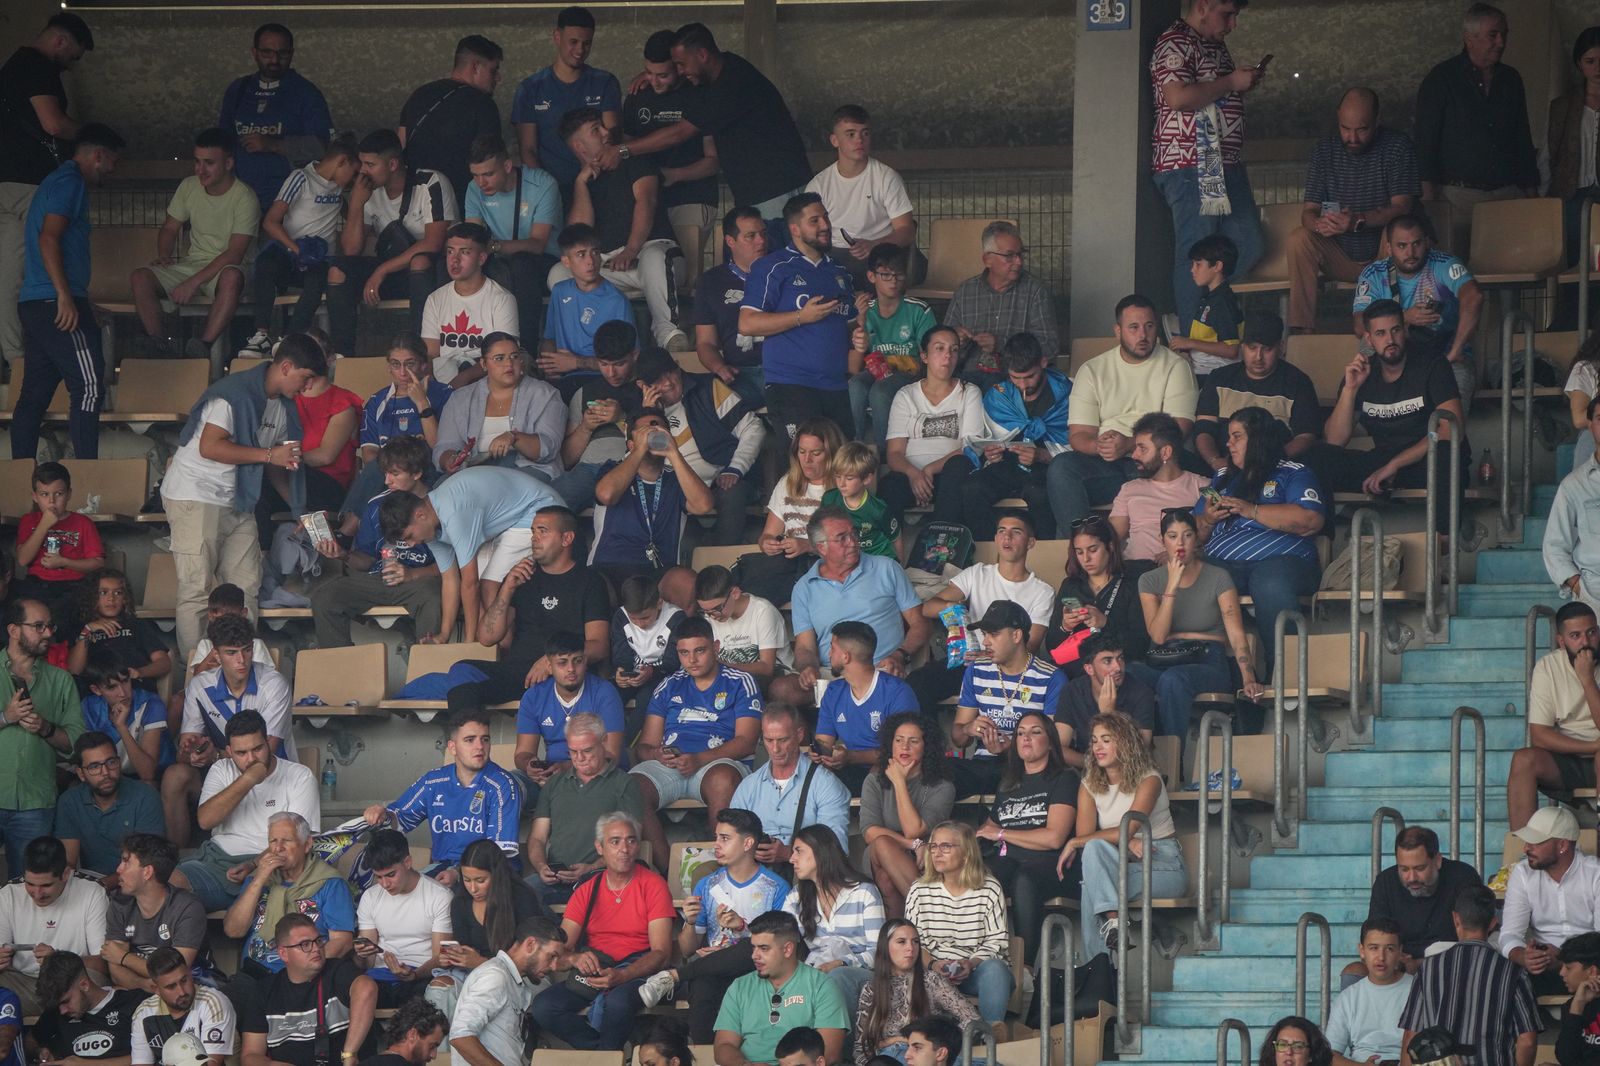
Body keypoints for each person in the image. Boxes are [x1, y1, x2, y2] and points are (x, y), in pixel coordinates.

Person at [161, 334, 322, 661]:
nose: (306, 388)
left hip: (238, 498)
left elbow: (278, 464)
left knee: (247, 586)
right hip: (195, 494)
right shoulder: (232, 394)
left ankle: (240, 666)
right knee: (197, 590)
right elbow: (211, 446)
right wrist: (268, 455)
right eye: (305, 379)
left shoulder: (283, 406)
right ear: (287, 367)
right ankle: (197, 673)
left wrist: (302, 514)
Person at [605, 23, 811, 220]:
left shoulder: (733, 82)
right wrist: (654, 75)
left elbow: (680, 132)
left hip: (778, 188)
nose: (681, 72)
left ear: (702, 55)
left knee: (781, 255)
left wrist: (623, 150)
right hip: (759, 189)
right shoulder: (719, 75)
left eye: (680, 65)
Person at [423, 502, 609, 711]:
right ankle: (471, 739)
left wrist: (551, 663)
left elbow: (599, 646)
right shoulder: (523, 578)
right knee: (462, 670)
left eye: (543, 531)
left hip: (563, 676)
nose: (534, 538)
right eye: (533, 531)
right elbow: (487, 637)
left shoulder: (590, 582)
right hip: (518, 674)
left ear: (567, 538)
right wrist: (507, 589)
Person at [1149, 0, 1266, 331]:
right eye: (1226, 14)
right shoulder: (1176, 40)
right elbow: (1177, 97)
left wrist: (1240, 84)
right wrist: (1231, 83)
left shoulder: (1215, 46)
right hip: (1189, 165)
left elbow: (1214, 93)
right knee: (1194, 254)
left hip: (1223, 164)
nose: (1232, 24)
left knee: (1249, 243)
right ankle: (1191, 336)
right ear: (1202, 5)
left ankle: (1211, 317)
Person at [1307, 300, 1467, 536]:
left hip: (1426, 457)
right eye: (1380, 333)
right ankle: (1324, 543)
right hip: (1383, 461)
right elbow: (1334, 440)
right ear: (1369, 340)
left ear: (1405, 331)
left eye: (1395, 330)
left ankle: (1443, 544)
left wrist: (1395, 465)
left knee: (1447, 452)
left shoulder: (1432, 364)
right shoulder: (1363, 372)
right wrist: (1350, 390)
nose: (1390, 340)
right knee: (1318, 456)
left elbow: (1450, 429)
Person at [12, 122, 122, 461]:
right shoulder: (71, 182)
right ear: (99, 156)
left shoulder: (55, 180)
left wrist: (81, 299)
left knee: (33, 396)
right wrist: (65, 297)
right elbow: (49, 237)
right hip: (54, 301)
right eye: (114, 162)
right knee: (88, 387)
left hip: (36, 302)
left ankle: (21, 481)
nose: (114, 171)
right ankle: (87, 477)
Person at [634, 808, 789, 1040]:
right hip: (711, 970)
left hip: (756, 970)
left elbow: (777, 946)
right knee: (704, 981)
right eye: (716, 837)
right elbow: (688, 949)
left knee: (751, 948)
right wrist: (690, 921)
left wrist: (742, 928)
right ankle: (703, 1052)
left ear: (748, 843)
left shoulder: (776, 887)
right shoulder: (707, 885)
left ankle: (673, 977)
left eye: (724, 838)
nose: (716, 844)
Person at [1050, 294, 1199, 534]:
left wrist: (1131, 444)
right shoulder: (1092, 370)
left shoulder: (1175, 366)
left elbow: (1179, 428)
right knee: (1061, 468)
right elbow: (1079, 434)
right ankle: (1078, 548)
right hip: (1106, 464)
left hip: (1154, 461)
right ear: (1118, 331)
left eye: (1149, 327)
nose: (1143, 335)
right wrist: (1103, 446)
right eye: (1134, 327)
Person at [1195, 405, 1327, 672]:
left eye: (1236, 436)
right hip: (1224, 564)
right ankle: (1211, 672)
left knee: (1269, 581)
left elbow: (1311, 520)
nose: (1228, 443)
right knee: (1194, 576)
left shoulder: (1292, 471)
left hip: (1283, 562)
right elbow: (1194, 533)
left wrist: (1251, 510)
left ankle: (1285, 673)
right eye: (1228, 437)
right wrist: (1208, 519)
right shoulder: (1221, 478)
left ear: (1258, 438)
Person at [529, 812, 673, 1050]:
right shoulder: (587, 890)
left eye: (631, 841)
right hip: (597, 969)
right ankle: (602, 1054)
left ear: (638, 846)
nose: (624, 849)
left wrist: (623, 976)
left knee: (616, 1002)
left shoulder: (653, 885)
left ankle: (604, 1057)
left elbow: (661, 953)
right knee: (544, 1006)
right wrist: (576, 958)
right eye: (615, 841)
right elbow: (560, 949)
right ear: (600, 847)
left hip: (638, 969)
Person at [0, 12, 93, 375]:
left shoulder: (10, 67)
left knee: (8, 274)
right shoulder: (38, 67)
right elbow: (53, 123)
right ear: (61, 41)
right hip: (30, 186)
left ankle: (13, 355)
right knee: (41, 272)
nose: (70, 66)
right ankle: (40, 356)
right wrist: (89, 136)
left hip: (5, 183)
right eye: (74, 56)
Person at [378, 470, 566, 647]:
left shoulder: (453, 513)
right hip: (507, 522)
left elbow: (470, 583)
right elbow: (450, 580)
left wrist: (467, 644)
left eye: (409, 536)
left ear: (420, 515)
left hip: (538, 510)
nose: (411, 544)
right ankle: (489, 646)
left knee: (488, 584)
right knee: (482, 587)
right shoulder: (429, 524)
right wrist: (444, 635)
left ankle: (502, 648)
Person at [553, 108, 687, 352]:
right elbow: (577, 237)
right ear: (580, 148)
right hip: (608, 269)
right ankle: (583, 341)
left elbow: (646, 201)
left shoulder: (635, 159)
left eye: (602, 126)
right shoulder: (579, 180)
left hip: (651, 257)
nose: (606, 133)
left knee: (654, 257)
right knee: (558, 274)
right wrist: (581, 184)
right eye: (596, 130)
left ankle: (668, 334)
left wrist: (632, 249)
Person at [1287, 87, 1420, 332]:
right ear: (1337, 118)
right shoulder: (1325, 150)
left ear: (1377, 121)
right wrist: (1320, 224)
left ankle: (1390, 327)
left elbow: (1403, 207)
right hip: (1340, 254)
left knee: (1398, 231)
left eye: (1362, 129)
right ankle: (1301, 330)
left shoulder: (1397, 146)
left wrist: (1357, 220)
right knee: (1299, 239)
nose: (1352, 138)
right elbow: (1308, 212)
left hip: (1383, 253)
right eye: (1345, 128)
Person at [631, 618, 761, 863]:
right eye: (684, 652)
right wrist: (657, 754)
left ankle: (718, 870)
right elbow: (644, 747)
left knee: (723, 780)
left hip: (716, 763)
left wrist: (699, 758)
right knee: (630, 788)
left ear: (716, 647)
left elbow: (747, 741)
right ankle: (667, 872)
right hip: (669, 766)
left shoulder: (739, 681)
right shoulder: (669, 685)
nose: (692, 660)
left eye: (699, 651)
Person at [1059, 713, 1187, 962]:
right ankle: (1114, 924)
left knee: (1091, 884)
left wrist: (1078, 841)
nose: (1098, 747)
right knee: (1094, 860)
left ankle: (1099, 976)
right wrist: (1124, 842)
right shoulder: (1089, 783)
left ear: (1126, 743)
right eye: (1094, 740)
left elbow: (1126, 826)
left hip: (1163, 864)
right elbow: (1090, 837)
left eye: (1106, 740)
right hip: (1119, 863)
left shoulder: (1149, 779)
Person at [1132, 510, 1262, 749]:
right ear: (1162, 540)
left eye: (1187, 535)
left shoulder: (1218, 577)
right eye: (1172, 536)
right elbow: (1159, 636)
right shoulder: (1149, 580)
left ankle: (1173, 760)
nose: (1180, 543)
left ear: (1197, 539)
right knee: (1124, 673)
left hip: (1208, 660)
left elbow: (1235, 633)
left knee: (1172, 681)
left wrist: (1248, 676)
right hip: (1164, 658)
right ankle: (1133, 758)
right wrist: (1171, 584)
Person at [1414, 3, 1538, 249]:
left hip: (1506, 193)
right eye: (1493, 35)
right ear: (1469, 39)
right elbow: (1426, 142)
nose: (1501, 42)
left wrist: (1531, 192)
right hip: (1457, 195)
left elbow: (1522, 138)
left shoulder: (1511, 80)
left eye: (1504, 34)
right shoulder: (1441, 79)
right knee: (1456, 271)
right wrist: (1428, 199)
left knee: (1511, 271)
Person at [128, 128, 259, 360]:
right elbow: (170, 228)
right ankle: (158, 344)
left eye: (208, 163)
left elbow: (235, 254)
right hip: (192, 265)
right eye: (197, 162)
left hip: (229, 270)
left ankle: (203, 345)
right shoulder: (189, 186)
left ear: (229, 163)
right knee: (140, 276)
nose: (200, 170)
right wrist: (165, 254)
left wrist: (192, 283)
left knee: (231, 276)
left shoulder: (245, 197)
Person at [172, 710, 320, 913]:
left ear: (268, 742)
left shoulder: (299, 776)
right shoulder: (221, 769)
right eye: (241, 753)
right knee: (171, 884)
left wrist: (253, 865)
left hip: (273, 865)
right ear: (229, 751)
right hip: (218, 861)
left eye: (257, 749)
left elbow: (297, 842)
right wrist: (249, 779)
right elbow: (205, 821)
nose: (251, 759)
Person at [739, 193, 858, 441]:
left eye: (825, 218)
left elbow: (848, 328)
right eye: (814, 221)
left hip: (836, 385)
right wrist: (801, 317)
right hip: (791, 384)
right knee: (801, 470)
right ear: (794, 229)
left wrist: (859, 333)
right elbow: (747, 323)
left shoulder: (840, 272)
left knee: (842, 470)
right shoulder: (772, 266)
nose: (825, 225)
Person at [327, 130, 456, 352]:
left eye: (370, 164)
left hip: (430, 276)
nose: (362, 171)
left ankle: (420, 351)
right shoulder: (369, 191)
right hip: (390, 274)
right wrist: (356, 203)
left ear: (393, 164)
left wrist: (382, 270)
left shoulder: (430, 182)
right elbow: (350, 250)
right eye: (362, 163)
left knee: (420, 261)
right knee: (338, 271)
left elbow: (433, 243)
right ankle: (342, 356)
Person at [786, 508, 927, 709]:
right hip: (832, 675)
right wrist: (808, 668)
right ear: (821, 547)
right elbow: (805, 647)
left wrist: (900, 655)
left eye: (854, 533)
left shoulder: (886, 568)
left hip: (882, 669)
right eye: (841, 538)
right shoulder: (804, 587)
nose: (852, 542)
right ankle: (812, 740)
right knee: (783, 690)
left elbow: (920, 623)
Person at [311, 437, 443, 650]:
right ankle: (339, 673)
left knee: (433, 595)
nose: (387, 480)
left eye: (395, 473)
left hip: (421, 581)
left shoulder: (437, 506)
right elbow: (366, 560)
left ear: (417, 473)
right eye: (385, 473)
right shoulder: (376, 504)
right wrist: (343, 555)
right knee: (325, 597)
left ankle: (428, 672)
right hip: (378, 580)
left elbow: (450, 567)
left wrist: (412, 574)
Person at [933, 333, 1068, 539]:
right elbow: (980, 442)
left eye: (1029, 377)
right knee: (973, 488)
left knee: (1040, 493)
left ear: (1043, 363)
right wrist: (989, 454)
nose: (1023, 386)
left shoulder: (1066, 395)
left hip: (1047, 469)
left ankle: (1042, 558)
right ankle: (987, 555)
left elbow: (1075, 447)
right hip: (1007, 465)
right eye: (1016, 378)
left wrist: (1041, 455)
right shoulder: (998, 395)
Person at [912, 512, 1054, 701]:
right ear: (995, 538)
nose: (1007, 537)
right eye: (1002, 531)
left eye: (1016, 532)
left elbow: (1031, 646)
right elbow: (927, 608)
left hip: (1010, 669)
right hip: (968, 662)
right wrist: (951, 606)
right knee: (916, 684)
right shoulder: (977, 573)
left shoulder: (1042, 591)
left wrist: (989, 656)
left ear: (1030, 543)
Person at [239, 127, 354, 358]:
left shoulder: (341, 190)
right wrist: (296, 248)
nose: (353, 179)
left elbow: (353, 220)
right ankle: (261, 335)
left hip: (320, 260)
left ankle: (289, 339)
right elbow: (271, 222)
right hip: (292, 253)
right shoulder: (301, 178)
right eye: (354, 170)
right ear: (342, 161)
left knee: (317, 278)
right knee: (266, 264)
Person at [635, 347, 767, 547]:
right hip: (672, 489)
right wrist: (650, 415)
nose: (669, 382)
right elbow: (636, 458)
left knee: (732, 492)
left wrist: (736, 467)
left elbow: (753, 428)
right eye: (658, 380)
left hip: (719, 481)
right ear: (643, 386)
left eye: (670, 372)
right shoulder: (640, 413)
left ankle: (724, 559)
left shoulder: (707, 388)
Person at [1398, 883, 1540, 1066]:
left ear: (1456, 919)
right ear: (1493, 923)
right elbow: (1527, 1040)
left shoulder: (1428, 968)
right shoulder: (1512, 972)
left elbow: (1412, 1037)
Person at [977, 710, 1080, 961]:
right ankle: (979, 958)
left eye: (1035, 732)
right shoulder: (1010, 780)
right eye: (1021, 733)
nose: (1026, 738)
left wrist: (1001, 833)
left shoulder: (1064, 778)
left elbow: (1054, 838)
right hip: (1010, 859)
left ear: (1050, 741)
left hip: (1053, 865)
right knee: (982, 877)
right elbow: (988, 828)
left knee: (1024, 879)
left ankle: (1025, 968)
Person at [367, 709, 522, 876]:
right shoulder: (434, 782)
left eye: (485, 739)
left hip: (492, 874)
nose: (479, 746)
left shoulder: (502, 785)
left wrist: (458, 874)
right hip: (444, 868)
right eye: (470, 740)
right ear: (452, 747)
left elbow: (497, 854)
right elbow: (399, 821)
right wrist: (382, 815)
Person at [1350, 215, 1484, 407]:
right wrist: (1404, 317)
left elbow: (1475, 297)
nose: (1410, 252)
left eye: (1416, 243)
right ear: (1389, 248)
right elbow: (1358, 326)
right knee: (1366, 348)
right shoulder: (1374, 273)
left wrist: (1456, 350)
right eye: (1402, 246)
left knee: (1451, 422)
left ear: (1427, 242)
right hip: (1394, 360)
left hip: (1444, 356)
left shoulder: (1443, 264)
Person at [948, 600, 1067, 799]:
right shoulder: (977, 670)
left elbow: (1055, 745)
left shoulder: (1051, 677)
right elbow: (958, 738)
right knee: (936, 771)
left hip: (1028, 766)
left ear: (1016, 635)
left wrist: (1009, 749)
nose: (985, 642)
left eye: (993, 634)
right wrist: (969, 729)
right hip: (982, 765)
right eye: (985, 634)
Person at [626, 30, 719, 279]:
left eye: (663, 75)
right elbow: (627, 149)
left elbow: (713, 161)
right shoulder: (638, 95)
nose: (655, 82)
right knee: (645, 276)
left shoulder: (699, 92)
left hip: (690, 199)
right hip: (647, 202)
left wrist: (674, 175)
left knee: (683, 278)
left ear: (680, 67)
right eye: (649, 73)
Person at [527, 712, 644, 904]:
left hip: (602, 876)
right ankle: (553, 933)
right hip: (555, 878)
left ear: (604, 742)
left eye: (587, 750)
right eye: (573, 752)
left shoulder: (624, 784)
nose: (580, 758)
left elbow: (630, 843)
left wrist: (592, 868)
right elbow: (537, 837)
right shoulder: (555, 784)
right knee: (517, 895)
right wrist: (541, 866)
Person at [425, 838, 548, 1020]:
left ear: (496, 875)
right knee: (439, 990)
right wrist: (454, 956)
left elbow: (530, 958)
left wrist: (482, 962)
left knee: (487, 993)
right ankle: (443, 1049)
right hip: (473, 973)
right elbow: (464, 946)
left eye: (480, 880)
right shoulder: (461, 902)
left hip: (520, 975)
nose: (473, 888)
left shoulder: (522, 898)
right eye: (466, 880)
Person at [902, 821, 1012, 1025]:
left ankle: (990, 1037)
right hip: (933, 972)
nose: (936, 853)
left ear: (967, 854)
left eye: (945, 847)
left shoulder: (989, 888)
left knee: (996, 970)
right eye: (933, 847)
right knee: (915, 977)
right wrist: (935, 965)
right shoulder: (919, 890)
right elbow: (915, 942)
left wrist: (969, 964)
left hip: (976, 971)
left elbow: (996, 942)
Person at [0, 598, 81, 871]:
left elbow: (75, 744)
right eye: (38, 626)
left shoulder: (61, 680)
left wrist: (46, 728)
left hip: (35, 801)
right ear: (14, 631)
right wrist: (5, 717)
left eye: (49, 626)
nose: (48, 633)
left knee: (28, 887)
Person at [223, 812, 354, 980]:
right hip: (254, 974)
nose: (278, 848)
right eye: (273, 841)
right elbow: (233, 930)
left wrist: (299, 973)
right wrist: (259, 880)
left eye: (286, 840)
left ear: (306, 845)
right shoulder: (258, 880)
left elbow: (342, 943)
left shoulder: (329, 883)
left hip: (304, 978)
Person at [217, 23, 333, 211]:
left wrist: (274, 145)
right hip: (239, 200)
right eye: (267, 53)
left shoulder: (306, 93)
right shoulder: (238, 90)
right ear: (254, 52)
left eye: (283, 53)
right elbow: (221, 143)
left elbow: (323, 147)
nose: (275, 59)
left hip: (289, 205)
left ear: (292, 53)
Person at [590, 407, 715, 582]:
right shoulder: (613, 469)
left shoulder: (677, 477)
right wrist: (639, 450)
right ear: (630, 444)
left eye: (659, 431)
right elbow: (606, 495)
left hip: (660, 570)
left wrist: (674, 453)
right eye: (644, 432)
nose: (652, 435)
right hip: (610, 565)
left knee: (686, 581)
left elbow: (704, 506)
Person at [238, 913, 379, 1066]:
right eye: (305, 944)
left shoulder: (337, 970)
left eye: (318, 941)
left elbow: (367, 988)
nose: (316, 949)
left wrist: (349, 1054)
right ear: (283, 953)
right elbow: (251, 1056)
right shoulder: (264, 991)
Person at [807, 105, 922, 291]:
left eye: (865, 133)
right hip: (834, 253)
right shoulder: (818, 185)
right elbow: (809, 232)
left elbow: (906, 231)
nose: (859, 140)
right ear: (835, 140)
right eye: (850, 134)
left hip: (878, 253)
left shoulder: (886, 177)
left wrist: (874, 245)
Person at [1507, 603, 1600, 830]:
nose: (1585, 642)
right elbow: (1539, 735)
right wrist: (1593, 746)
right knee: (1524, 759)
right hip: (1570, 756)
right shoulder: (1548, 666)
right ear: (1561, 641)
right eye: (1575, 636)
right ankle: (1523, 852)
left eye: (1591, 632)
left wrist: (1587, 680)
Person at [713, 913, 850, 1066]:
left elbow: (829, 1054)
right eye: (754, 947)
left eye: (764, 948)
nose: (754, 956)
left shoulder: (822, 986)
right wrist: (745, 1065)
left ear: (787, 949)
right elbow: (723, 1047)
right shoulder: (739, 986)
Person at [511, 7, 620, 197]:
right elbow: (528, 150)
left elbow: (612, 134)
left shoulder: (605, 82)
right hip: (551, 189)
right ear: (557, 37)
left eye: (587, 43)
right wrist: (545, 190)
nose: (580, 50)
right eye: (573, 42)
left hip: (600, 185)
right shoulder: (530, 88)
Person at [175, 612, 293, 784]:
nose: (241, 660)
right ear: (216, 654)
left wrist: (215, 755)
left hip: (270, 777)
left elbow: (263, 757)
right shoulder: (199, 687)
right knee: (175, 776)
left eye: (246, 650)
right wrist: (193, 752)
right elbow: (183, 754)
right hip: (220, 775)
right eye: (231, 652)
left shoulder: (274, 685)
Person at [464, 134, 562, 342]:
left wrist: (493, 246)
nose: (481, 182)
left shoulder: (542, 184)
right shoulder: (474, 189)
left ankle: (526, 351)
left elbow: (537, 244)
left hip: (543, 260)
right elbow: (472, 236)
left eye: (488, 174)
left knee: (521, 264)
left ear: (508, 166)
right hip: (498, 259)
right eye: (475, 175)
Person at [1193, 312, 1322, 468]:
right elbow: (1203, 429)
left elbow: (1306, 436)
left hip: (1276, 469)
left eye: (1267, 349)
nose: (1258, 357)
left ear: (1281, 348)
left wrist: (1271, 461)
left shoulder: (1298, 382)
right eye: (1252, 348)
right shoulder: (1219, 378)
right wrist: (1214, 461)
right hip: (1222, 467)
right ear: (1242, 347)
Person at [433, 332, 565, 484]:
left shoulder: (545, 394)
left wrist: (514, 437)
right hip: (476, 471)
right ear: (483, 364)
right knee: (439, 491)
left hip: (528, 470)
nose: (509, 364)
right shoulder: (460, 398)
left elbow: (548, 448)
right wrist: (450, 460)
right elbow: (444, 446)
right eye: (499, 358)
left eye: (514, 356)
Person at [859, 713, 954, 918]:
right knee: (882, 843)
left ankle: (897, 936)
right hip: (886, 854)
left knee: (886, 878)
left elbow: (914, 830)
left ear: (926, 747)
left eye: (913, 741)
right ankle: (928, 915)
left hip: (925, 861)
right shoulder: (874, 781)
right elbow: (870, 832)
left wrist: (900, 782)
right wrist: (914, 845)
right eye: (899, 740)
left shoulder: (942, 787)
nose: (904, 747)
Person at [781, 825, 885, 1014]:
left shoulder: (863, 893)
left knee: (838, 976)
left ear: (821, 853)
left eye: (798, 851)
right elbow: (780, 939)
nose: (791, 859)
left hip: (860, 973)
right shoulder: (796, 897)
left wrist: (841, 963)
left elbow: (879, 953)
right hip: (816, 971)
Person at [1499, 805, 1600, 996]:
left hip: (1586, 966)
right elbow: (1509, 934)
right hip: (1539, 967)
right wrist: (1524, 957)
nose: (1526, 848)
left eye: (1535, 842)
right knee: (1505, 979)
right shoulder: (1522, 873)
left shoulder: (1595, 874)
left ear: (1562, 845)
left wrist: (1564, 959)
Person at [0, 837, 107, 1014]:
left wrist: (59, 963)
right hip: (23, 982)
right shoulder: (7, 894)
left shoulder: (91, 891)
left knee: (92, 981)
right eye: (30, 884)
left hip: (71, 983)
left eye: (46, 885)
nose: (37, 894)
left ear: (66, 874)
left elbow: (100, 962)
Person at [884, 326, 984, 512]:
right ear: (924, 357)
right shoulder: (906, 395)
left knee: (959, 468)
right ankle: (891, 541)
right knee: (890, 484)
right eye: (940, 348)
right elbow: (894, 453)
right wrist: (914, 474)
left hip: (949, 476)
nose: (948, 355)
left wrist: (929, 470)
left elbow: (971, 448)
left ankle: (941, 533)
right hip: (912, 476)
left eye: (954, 350)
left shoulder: (969, 392)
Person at [943, 221, 1059, 382]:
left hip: (1016, 381)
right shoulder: (965, 292)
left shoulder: (1036, 292)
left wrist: (1003, 345)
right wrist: (955, 339)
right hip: (967, 380)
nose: (1018, 262)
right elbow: (942, 342)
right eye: (1009, 256)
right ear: (987, 260)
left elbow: (1049, 347)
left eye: (1020, 254)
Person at [731, 703, 852, 857]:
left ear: (800, 735)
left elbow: (836, 850)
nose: (775, 749)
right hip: (756, 873)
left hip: (807, 876)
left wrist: (789, 853)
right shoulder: (748, 786)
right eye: (769, 740)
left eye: (782, 740)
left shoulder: (827, 785)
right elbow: (731, 841)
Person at [399, 35, 502, 215]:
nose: (498, 78)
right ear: (476, 67)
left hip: (414, 204)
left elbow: (400, 144)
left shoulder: (419, 95)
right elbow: (489, 161)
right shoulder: (483, 105)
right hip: (461, 206)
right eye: (493, 71)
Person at [1363, 826, 1485, 976]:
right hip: (1397, 970)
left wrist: (1421, 964)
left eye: (1420, 868)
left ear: (1438, 861)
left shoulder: (1463, 878)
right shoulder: (1385, 883)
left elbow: (1475, 943)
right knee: (1353, 972)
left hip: (1451, 969)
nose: (1412, 878)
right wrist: (1396, 958)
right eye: (1404, 869)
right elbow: (1375, 936)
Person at [853, 921, 978, 1066]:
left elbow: (972, 1020)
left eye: (915, 942)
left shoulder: (931, 981)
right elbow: (860, 1050)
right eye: (901, 942)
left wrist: (937, 1045)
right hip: (889, 1059)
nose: (910, 948)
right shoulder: (871, 989)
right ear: (885, 947)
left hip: (928, 1057)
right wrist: (893, 1043)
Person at [814, 622, 920, 794]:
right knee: (810, 774)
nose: (828, 654)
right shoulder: (833, 692)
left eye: (832, 648)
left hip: (892, 769)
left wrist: (851, 757)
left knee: (879, 774)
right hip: (849, 769)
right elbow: (823, 742)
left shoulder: (897, 691)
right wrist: (819, 753)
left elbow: (903, 752)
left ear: (846, 657)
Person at [848, 245, 935, 453]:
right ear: (871, 276)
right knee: (855, 385)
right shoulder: (865, 311)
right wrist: (860, 322)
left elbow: (930, 359)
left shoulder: (918, 309)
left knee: (880, 391)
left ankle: (885, 455)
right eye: (886, 275)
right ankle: (854, 450)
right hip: (877, 372)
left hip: (909, 375)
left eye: (899, 275)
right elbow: (853, 367)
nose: (893, 281)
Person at [351, 829, 454, 1007]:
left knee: (428, 995)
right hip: (379, 975)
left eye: (391, 875)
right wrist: (361, 955)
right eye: (378, 877)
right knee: (353, 987)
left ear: (407, 862)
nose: (385, 884)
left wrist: (413, 975)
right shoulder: (370, 897)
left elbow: (440, 959)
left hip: (422, 975)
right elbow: (367, 962)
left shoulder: (439, 896)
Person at [748, 421, 844, 608]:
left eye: (816, 453)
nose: (807, 459)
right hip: (789, 563)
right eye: (801, 452)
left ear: (831, 454)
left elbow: (852, 545)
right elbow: (768, 533)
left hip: (826, 562)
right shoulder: (787, 482)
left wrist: (808, 545)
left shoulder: (843, 487)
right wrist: (768, 543)